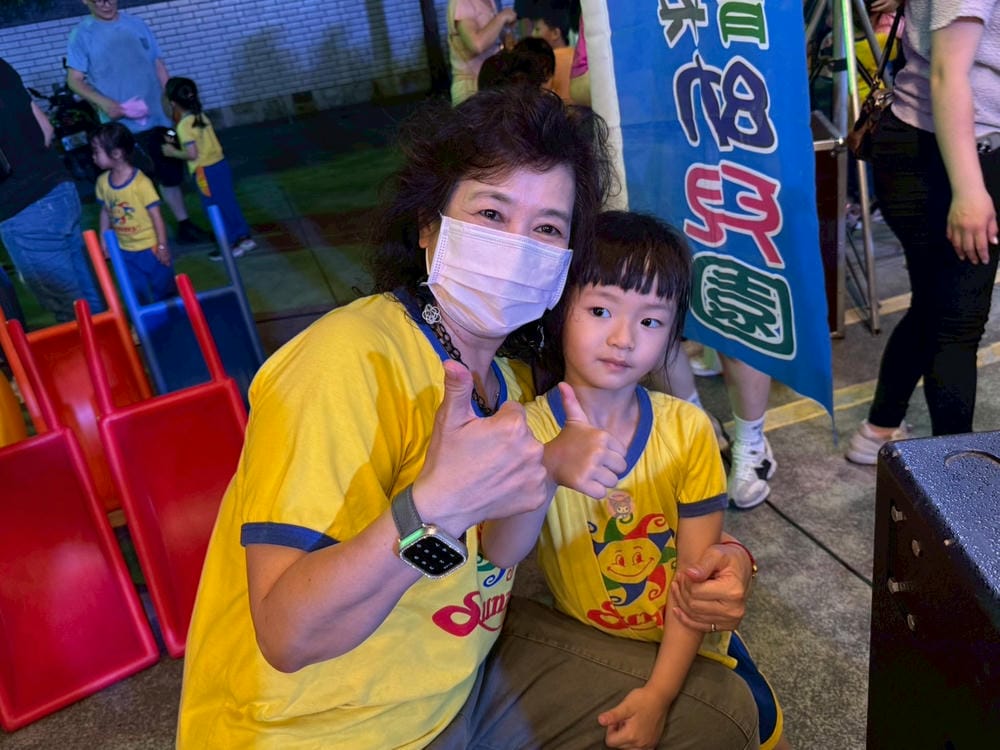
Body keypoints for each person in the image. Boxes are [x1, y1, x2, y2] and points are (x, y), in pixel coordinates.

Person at [177, 87, 759, 749]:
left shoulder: (513, 384)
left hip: (459, 678)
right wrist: (433, 509)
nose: (516, 248)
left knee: (721, 711)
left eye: (547, 229)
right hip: (321, 730)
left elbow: (540, 534)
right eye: (490, 212)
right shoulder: (344, 362)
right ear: (429, 226)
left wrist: (727, 557)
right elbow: (288, 636)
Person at [528, 210, 786, 749]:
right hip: (591, 645)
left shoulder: (688, 430)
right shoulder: (529, 429)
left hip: (689, 645)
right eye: (600, 310)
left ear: (673, 334)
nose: (623, 338)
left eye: (651, 322)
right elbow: (501, 553)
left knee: (766, 732)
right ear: (558, 308)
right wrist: (545, 467)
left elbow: (696, 577)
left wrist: (661, 694)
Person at [846, 0, 1000, 462]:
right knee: (955, 325)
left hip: (952, 151)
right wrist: (969, 191)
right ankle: (955, 481)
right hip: (947, 156)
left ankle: (879, 429)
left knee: (936, 309)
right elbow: (947, 75)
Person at [67, 0, 208, 244]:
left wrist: (173, 105)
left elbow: (158, 65)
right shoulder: (81, 35)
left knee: (170, 173)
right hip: (123, 126)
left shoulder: (137, 24)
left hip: (160, 118)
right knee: (133, 182)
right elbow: (74, 80)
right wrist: (104, 102)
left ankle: (184, 225)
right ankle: (143, 234)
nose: (105, 4)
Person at [0, 57, 103, 324]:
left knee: (71, 313)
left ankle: (102, 350)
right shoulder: (3, 67)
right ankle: (119, 348)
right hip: (60, 191)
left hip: (24, 209)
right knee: (89, 300)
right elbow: (45, 129)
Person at [161, 76, 256, 261]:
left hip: (205, 172)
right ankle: (243, 237)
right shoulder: (200, 116)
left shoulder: (184, 126)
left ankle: (229, 245)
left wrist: (172, 152)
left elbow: (192, 154)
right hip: (220, 165)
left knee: (213, 209)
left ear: (173, 103)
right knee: (228, 202)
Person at [92, 122, 176, 305]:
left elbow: (156, 216)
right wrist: (104, 239)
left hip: (151, 248)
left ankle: (172, 318)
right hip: (126, 251)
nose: (93, 157)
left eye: (97, 151)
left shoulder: (141, 183)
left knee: (164, 290)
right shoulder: (103, 183)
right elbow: (105, 211)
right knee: (137, 293)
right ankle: (145, 320)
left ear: (116, 153)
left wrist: (162, 245)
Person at [447, 0, 517, 104]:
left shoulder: (490, 1)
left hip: (491, 82)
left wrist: (507, 36)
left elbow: (493, 36)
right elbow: (477, 44)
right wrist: (502, 17)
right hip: (470, 88)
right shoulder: (461, 2)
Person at [531, 5, 574, 102]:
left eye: (537, 30)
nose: (532, 34)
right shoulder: (576, 55)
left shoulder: (547, 62)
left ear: (555, 33)